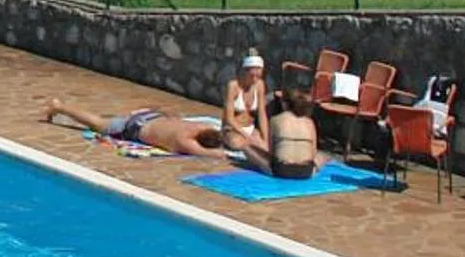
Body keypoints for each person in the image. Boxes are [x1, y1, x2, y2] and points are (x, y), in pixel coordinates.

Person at [42, 100, 225, 156]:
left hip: (151, 115)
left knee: (103, 121)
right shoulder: (184, 142)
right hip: (133, 127)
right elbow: (213, 155)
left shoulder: (203, 125)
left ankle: (60, 107)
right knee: (97, 123)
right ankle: (60, 107)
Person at [240, 88, 326, 180]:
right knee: (322, 156)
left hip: (281, 170)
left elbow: (272, 152)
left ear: (284, 104)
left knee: (246, 147)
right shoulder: (309, 122)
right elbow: (313, 153)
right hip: (306, 172)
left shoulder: (275, 120)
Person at [222, 52, 270, 159]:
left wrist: (265, 139)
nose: (254, 79)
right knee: (237, 143)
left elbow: (262, 114)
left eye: (258, 76)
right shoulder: (233, 86)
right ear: (245, 72)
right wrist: (246, 135)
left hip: (250, 128)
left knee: (263, 147)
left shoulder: (260, 85)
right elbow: (229, 118)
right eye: (251, 76)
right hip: (233, 129)